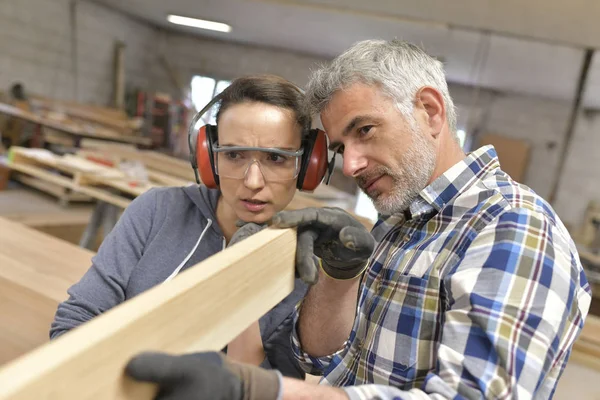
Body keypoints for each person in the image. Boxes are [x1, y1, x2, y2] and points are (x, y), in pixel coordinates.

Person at [125, 39, 591, 399]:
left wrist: (267, 390)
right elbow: (322, 356)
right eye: (343, 147)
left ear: (429, 111)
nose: (350, 166)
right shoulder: (399, 220)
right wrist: (339, 278)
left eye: (365, 130)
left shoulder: (514, 226)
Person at [50, 74, 332, 379]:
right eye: (234, 155)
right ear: (209, 158)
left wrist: (243, 283)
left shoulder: (303, 260)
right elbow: (76, 320)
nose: (253, 182)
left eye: (276, 158)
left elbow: (262, 385)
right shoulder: (158, 210)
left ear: (306, 167)